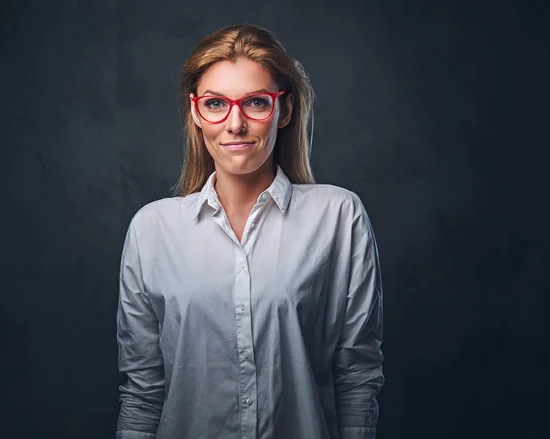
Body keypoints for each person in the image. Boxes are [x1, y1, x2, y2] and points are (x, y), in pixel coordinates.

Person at [115, 24, 384, 439]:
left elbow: (357, 376)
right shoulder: (152, 230)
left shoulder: (338, 217)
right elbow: (143, 393)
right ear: (195, 112)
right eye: (215, 103)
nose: (235, 124)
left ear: (285, 110)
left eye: (256, 102)